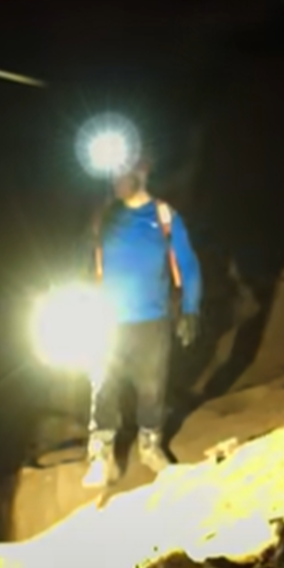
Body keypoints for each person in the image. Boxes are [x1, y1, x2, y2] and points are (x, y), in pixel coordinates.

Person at [86, 152, 204, 488]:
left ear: (143, 171)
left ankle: (150, 445)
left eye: (124, 171)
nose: (117, 179)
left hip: (152, 317)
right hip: (107, 318)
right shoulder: (104, 217)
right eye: (114, 173)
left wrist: (191, 309)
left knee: (151, 387)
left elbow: (188, 264)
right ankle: (101, 455)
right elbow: (87, 261)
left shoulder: (164, 216)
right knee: (104, 384)